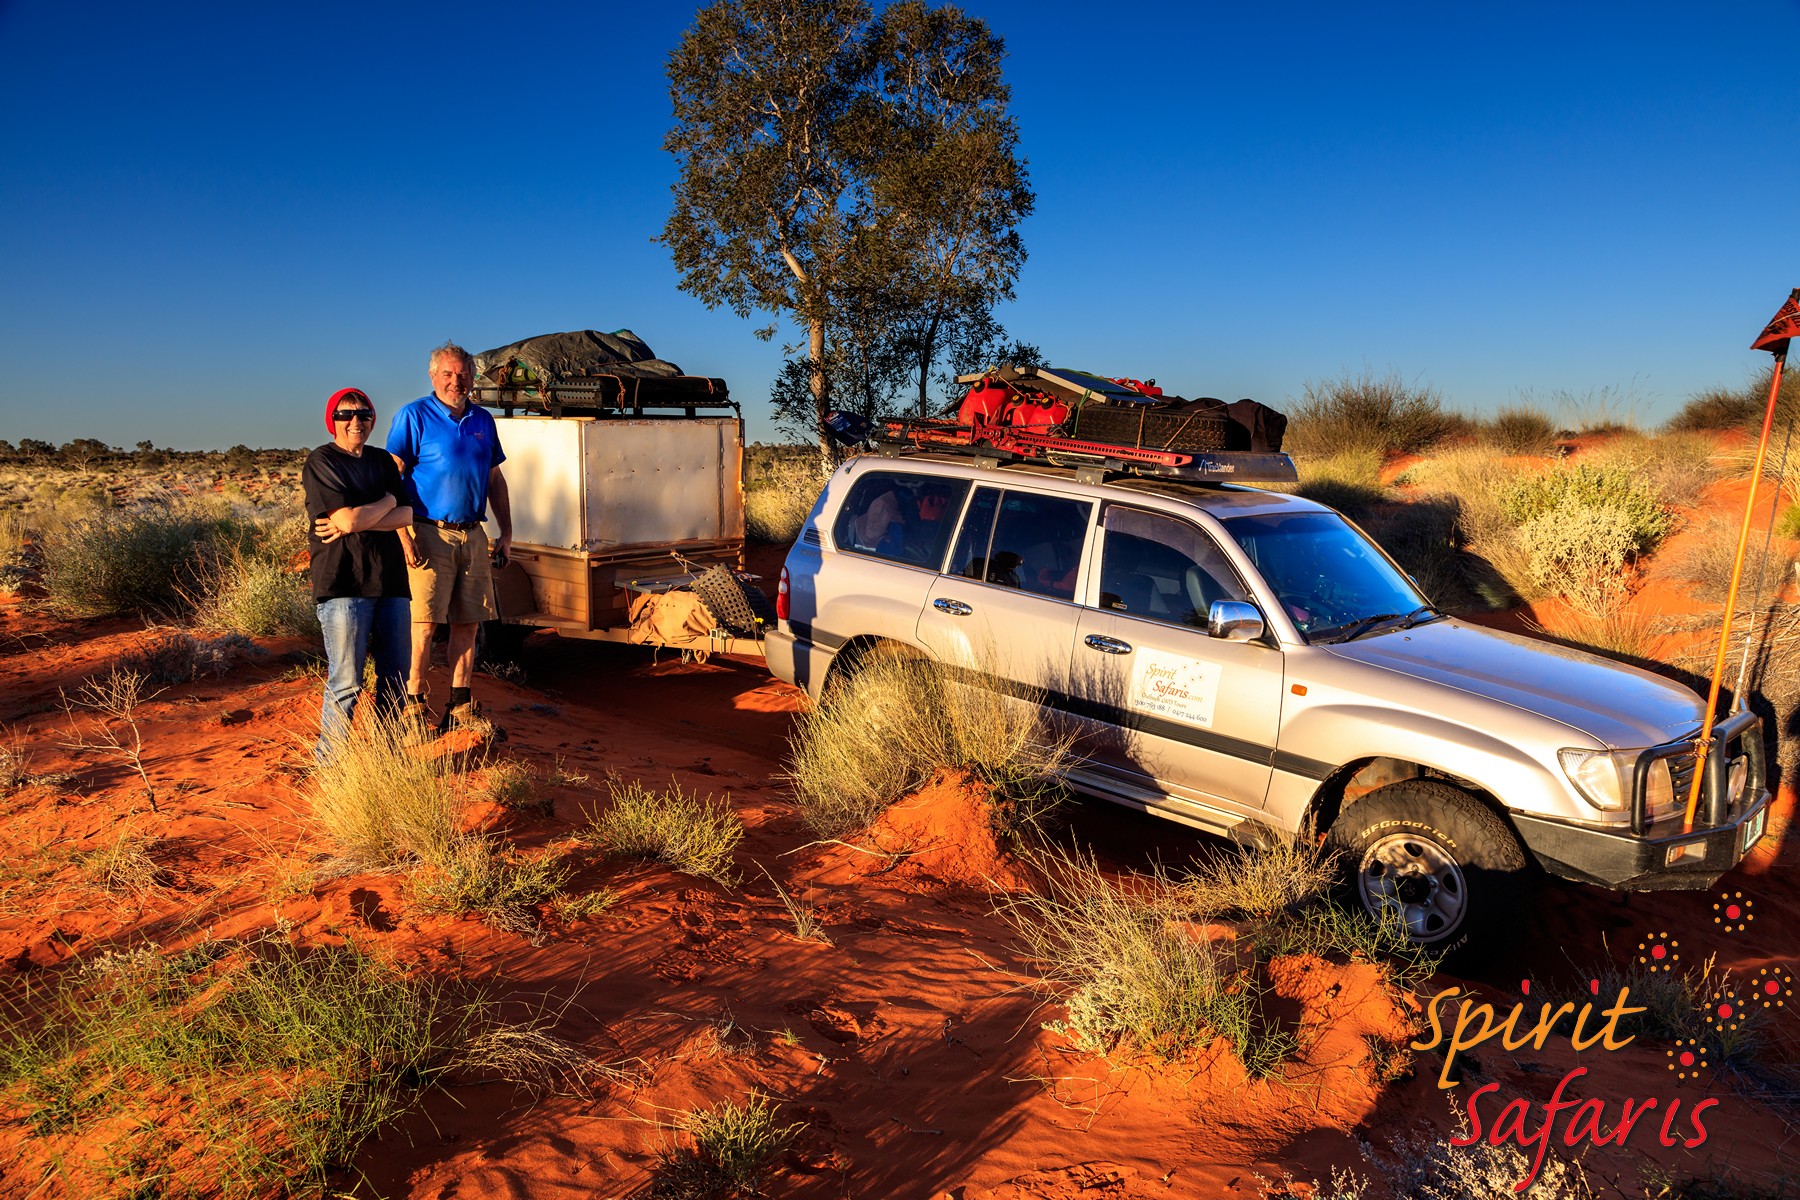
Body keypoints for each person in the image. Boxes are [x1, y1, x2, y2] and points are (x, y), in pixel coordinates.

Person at [387, 341, 513, 738]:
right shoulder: (414, 416)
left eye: (462, 374)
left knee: (468, 623)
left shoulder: (482, 420)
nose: (455, 381)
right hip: (427, 532)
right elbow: (392, 476)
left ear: (474, 378)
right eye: (448, 374)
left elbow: (494, 478)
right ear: (432, 376)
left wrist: (506, 532)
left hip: (473, 534)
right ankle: (412, 706)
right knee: (424, 624)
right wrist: (403, 534)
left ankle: (459, 705)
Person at [302, 388, 413, 761]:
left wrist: (366, 516)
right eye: (346, 414)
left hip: (392, 583)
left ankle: (387, 760)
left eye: (364, 414)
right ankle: (330, 764)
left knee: (396, 678)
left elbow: (407, 516)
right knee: (347, 682)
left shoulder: (382, 461)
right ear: (332, 420)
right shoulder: (322, 461)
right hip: (343, 584)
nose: (356, 421)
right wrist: (388, 501)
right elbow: (345, 519)